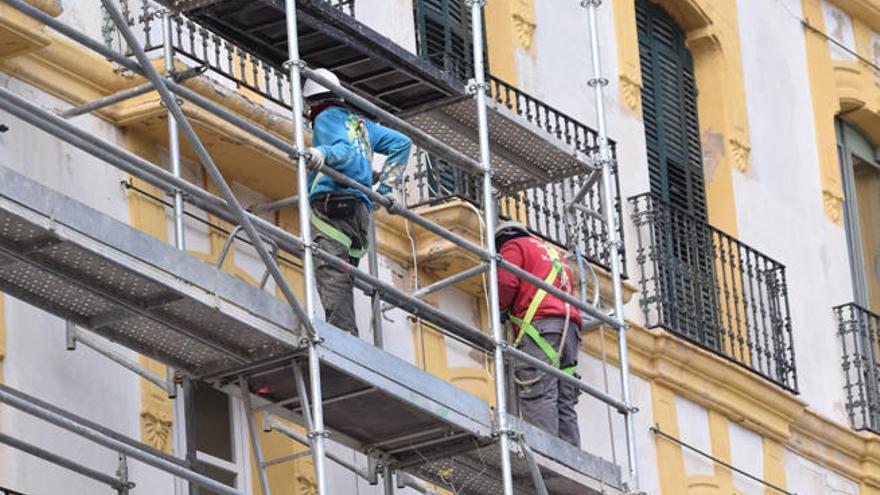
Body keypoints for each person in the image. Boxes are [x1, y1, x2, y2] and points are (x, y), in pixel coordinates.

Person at [301, 68, 412, 336]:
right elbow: (403, 143)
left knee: (331, 272)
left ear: (314, 102)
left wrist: (321, 153)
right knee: (344, 272)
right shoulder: (362, 124)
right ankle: (347, 331)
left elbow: (343, 150)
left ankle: (345, 336)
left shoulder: (326, 117)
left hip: (332, 206)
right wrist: (386, 188)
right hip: (359, 211)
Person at [495, 220, 582, 447]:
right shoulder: (555, 254)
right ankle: (571, 458)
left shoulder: (514, 246)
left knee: (539, 392)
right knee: (564, 399)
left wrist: (501, 308)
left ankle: (547, 456)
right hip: (569, 331)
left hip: (542, 329)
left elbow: (505, 282)